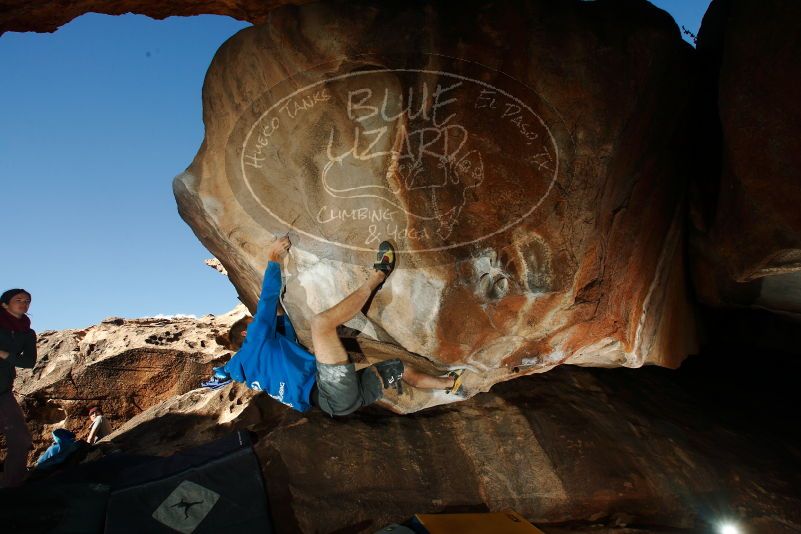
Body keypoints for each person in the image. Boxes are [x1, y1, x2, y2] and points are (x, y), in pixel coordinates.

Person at [208, 238, 465, 416]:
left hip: (338, 404)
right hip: (330, 390)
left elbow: (282, 327)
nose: (259, 324)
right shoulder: (253, 343)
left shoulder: (255, 371)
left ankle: (450, 383)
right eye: (253, 324)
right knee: (321, 325)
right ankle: (380, 275)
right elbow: (267, 300)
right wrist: (274, 258)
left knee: (402, 370)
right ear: (245, 332)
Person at [0, 288, 36, 488]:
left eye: (27, 300)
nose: (24, 303)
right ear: (5, 304)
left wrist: (4, 355)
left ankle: (11, 487)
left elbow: (29, 361)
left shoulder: (27, 333)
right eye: (18, 299)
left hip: (3, 391)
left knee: (21, 440)